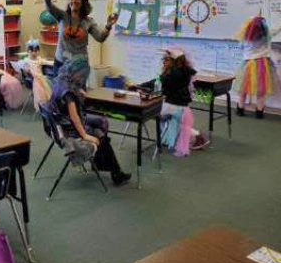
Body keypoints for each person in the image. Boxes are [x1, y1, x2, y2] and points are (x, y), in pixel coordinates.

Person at [48, 57, 131, 186]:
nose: (82, 79)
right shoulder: (68, 92)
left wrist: (78, 90)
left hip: (61, 125)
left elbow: (71, 104)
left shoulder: (60, 81)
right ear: (74, 72)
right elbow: (75, 117)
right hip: (70, 131)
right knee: (101, 136)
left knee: (101, 123)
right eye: (81, 75)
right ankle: (115, 172)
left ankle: (107, 167)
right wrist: (85, 136)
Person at [38, 0, 118, 76]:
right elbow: (49, 7)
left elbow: (100, 37)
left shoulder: (88, 21)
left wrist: (108, 26)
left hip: (79, 66)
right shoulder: (62, 16)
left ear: (83, 2)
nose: (74, 1)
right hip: (61, 64)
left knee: (77, 91)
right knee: (60, 91)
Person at [137, 49, 210, 156]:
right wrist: (141, 86)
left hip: (174, 105)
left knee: (152, 112)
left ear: (174, 61)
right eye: (163, 59)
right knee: (170, 120)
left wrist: (138, 87)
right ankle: (192, 136)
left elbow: (157, 84)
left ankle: (195, 136)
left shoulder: (174, 74)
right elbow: (158, 82)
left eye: (166, 59)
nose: (163, 62)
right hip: (178, 105)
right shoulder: (181, 70)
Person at [234, 16, 281, 118]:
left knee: (243, 89)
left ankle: (240, 109)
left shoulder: (245, 37)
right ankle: (259, 113)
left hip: (247, 64)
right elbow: (276, 30)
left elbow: (240, 48)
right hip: (262, 66)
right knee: (261, 90)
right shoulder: (267, 35)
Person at [23, 39, 52, 109]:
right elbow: (26, 69)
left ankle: (48, 104)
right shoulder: (27, 61)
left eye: (36, 51)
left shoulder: (39, 59)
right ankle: (42, 105)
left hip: (42, 78)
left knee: (49, 84)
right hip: (33, 80)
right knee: (41, 89)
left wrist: (56, 62)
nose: (34, 53)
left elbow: (48, 62)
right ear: (28, 51)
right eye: (32, 51)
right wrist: (28, 70)